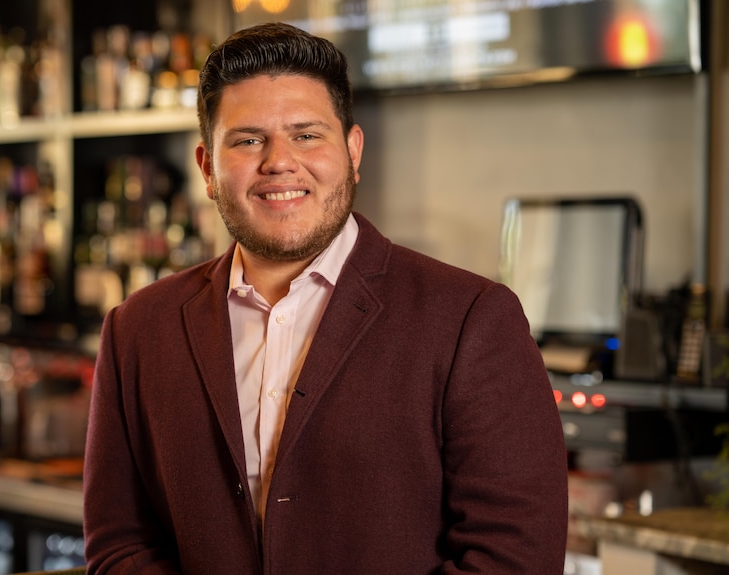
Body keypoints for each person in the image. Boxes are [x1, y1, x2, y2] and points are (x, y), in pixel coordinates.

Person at [83, 22, 569, 574]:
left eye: (307, 134)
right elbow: (120, 547)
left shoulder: (470, 319)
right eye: (246, 140)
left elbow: (514, 559)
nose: (279, 161)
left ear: (353, 150)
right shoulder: (138, 328)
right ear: (207, 169)